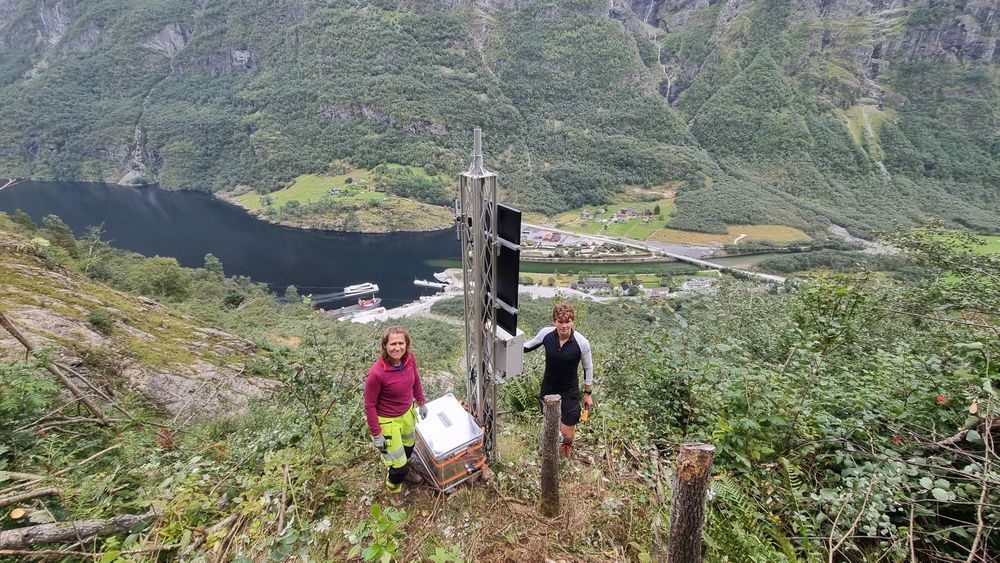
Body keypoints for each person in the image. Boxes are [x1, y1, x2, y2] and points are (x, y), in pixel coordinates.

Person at [524, 303, 594, 459]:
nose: (564, 326)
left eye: (567, 321)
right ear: (553, 321)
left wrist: (587, 393)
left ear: (572, 321)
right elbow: (526, 347)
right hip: (548, 388)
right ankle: (549, 454)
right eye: (560, 321)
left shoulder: (581, 342)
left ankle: (567, 445)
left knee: (567, 432)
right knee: (550, 424)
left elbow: (588, 368)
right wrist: (505, 343)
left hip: (569, 392)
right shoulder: (546, 334)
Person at [364, 325, 429, 496]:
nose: (397, 347)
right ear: (385, 346)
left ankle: (405, 470)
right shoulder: (377, 373)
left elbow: (416, 380)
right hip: (388, 422)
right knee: (397, 464)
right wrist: (376, 434)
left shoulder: (409, 359)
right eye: (393, 344)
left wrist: (421, 402)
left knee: (409, 447)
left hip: (407, 413)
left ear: (407, 344)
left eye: (401, 343)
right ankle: (394, 488)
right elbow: (369, 405)